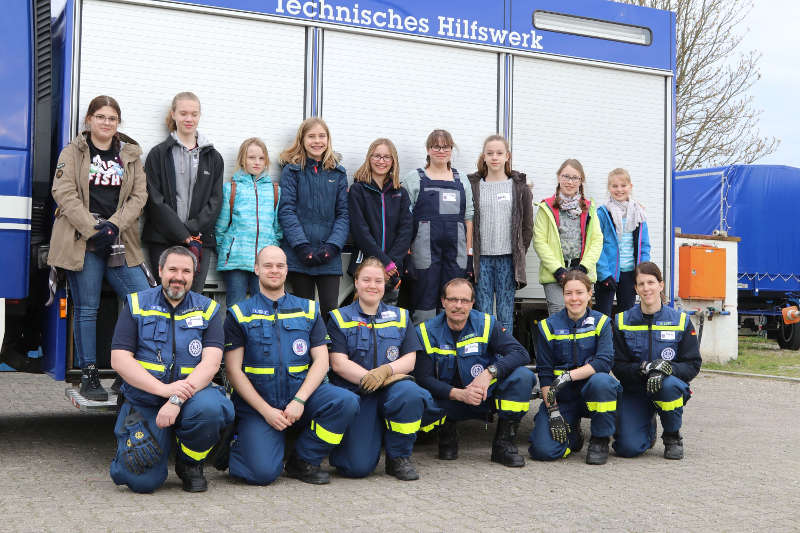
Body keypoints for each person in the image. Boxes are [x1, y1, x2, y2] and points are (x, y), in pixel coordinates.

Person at [222, 245, 359, 485]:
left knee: (346, 401)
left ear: (287, 270)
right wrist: (266, 411)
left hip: (300, 396)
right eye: (268, 265)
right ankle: (241, 445)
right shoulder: (239, 313)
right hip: (259, 404)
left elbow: (321, 361)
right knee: (263, 474)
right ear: (256, 269)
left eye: (280, 265)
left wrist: (299, 400)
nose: (274, 270)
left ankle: (304, 459)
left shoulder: (308, 309)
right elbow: (233, 371)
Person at [47, 95, 151, 401]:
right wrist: (94, 231)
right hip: (84, 240)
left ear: (118, 123)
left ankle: (127, 374)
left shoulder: (130, 154)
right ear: (89, 120)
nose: (106, 122)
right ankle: (89, 375)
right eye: (101, 117)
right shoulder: (74, 151)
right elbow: (62, 191)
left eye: (112, 118)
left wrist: (113, 226)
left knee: (141, 301)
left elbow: (139, 196)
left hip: (119, 239)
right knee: (88, 308)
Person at [109, 246, 234, 493]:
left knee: (211, 408)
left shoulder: (208, 310)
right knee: (141, 482)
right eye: (173, 269)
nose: (179, 276)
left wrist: (175, 399)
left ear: (194, 275)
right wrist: (163, 389)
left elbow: (210, 364)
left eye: (186, 271)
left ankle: (190, 464)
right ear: (160, 271)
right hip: (145, 401)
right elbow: (119, 359)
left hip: (190, 399)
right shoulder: (136, 304)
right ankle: (134, 449)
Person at [328, 257, 437, 481]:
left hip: (391, 389)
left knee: (411, 393)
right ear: (356, 282)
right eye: (366, 280)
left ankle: (398, 457)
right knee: (356, 468)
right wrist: (370, 378)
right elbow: (337, 362)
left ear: (385, 284)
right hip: (359, 394)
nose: (372, 285)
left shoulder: (401, 316)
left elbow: (410, 359)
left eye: (378, 281)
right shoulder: (339, 317)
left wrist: (385, 372)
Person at [415, 278, 536, 467]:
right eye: (453, 299)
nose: (458, 306)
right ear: (443, 301)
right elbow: (423, 378)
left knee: (523, 377)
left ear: (472, 303)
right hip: (448, 400)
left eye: (464, 300)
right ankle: (446, 433)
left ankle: (504, 444)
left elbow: (521, 353)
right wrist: (459, 394)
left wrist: (489, 373)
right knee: (417, 394)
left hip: (483, 396)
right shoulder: (425, 331)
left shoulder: (486, 323)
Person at [528, 270, 621, 465]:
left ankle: (600, 439)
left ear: (589, 294)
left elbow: (604, 362)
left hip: (592, 394)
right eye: (569, 293)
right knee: (542, 451)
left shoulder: (601, 323)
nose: (574, 298)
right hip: (562, 399)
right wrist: (553, 411)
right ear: (563, 296)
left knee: (602, 380)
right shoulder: (548, 326)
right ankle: (573, 437)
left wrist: (568, 376)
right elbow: (545, 374)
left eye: (579, 292)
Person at [612, 261, 701, 460]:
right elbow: (617, 366)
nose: (646, 288)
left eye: (651, 282)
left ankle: (672, 436)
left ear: (660, 285)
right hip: (635, 391)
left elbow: (692, 364)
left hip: (667, 387)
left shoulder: (681, 321)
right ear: (635, 288)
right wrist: (644, 368)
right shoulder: (621, 321)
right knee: (627, 448)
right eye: (641, 284)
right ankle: (646, 427)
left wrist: (664, 370)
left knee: (668, 386)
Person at [143, 91, 224, 292]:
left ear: (199, 116)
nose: (189, 119)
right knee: (164, 296)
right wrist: (181, 233)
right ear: (173, 114)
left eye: (194, 114)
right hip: (163, 240)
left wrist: (192, 230)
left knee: (193, 301)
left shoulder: (213, 158)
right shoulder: (158, 154)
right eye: (183, 113)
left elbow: (215, 202)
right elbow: (154, 200)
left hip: (199, 241)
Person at [278, 118, 348, 321]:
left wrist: (332, 247)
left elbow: (343, 214)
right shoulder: (291, 171)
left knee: (330, 313)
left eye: (321, 136)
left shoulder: (338, 173)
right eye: (311, 136)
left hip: (329, 256)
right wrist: (301, 246)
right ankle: (303, 353)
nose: (317, 141)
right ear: (302, 139)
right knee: (302, 314)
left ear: (328, 139)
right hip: (300, 256)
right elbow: (287, 210)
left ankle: (329, 352)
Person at [402, 129, 474, 323]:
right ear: (428, 149)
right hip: (423, 252)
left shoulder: (462, 180)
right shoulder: (414, 179)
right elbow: (404, 219)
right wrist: (407, 253)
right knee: (424, 298)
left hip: (456, 253)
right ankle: (423, 347)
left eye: (446, 147)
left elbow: (469, 218)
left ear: (451, 149)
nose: (441, 150)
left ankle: (450, 344)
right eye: (436, 146)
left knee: (453, 296)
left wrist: (469, 253)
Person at [467, 135, 533, 334]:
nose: (494, 157)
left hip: (508, 259)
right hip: (482, 259)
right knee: (483, 312)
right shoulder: (474, 186)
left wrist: (520, 250)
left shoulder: (519, 187)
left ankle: (505, 359)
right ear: (484, 156)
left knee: (505, 313)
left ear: (507, 156)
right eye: (490, 153)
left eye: (499, 153)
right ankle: (484, 358)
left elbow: (527, 226)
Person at [215, 138, 282, 307]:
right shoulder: (231, 188)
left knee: (262, 307)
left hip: (264, 261)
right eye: (252, 157)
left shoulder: (274, 190)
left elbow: (278, 228)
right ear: (242, 160)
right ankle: (233, 335)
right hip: (236, 261)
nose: (257, 162)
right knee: (236, 308)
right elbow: (221, 228)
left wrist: (272, 248)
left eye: (261, 158)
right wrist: (227, 251)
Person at [533, 158, 603, 316]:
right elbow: (539, 242)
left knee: (582, 317)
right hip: (555, 274)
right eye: (566, 176)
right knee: (558, 316)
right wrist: (558, 271)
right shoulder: (546, 208)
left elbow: (597, 241)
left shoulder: (589, 209)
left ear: (581, 181)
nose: (570, 182)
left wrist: (584, 268)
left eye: (575, 178)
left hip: (582, 272)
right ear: (559, 177)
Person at [347, 138, 413, 305]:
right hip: (365, 266)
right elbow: (360, 231)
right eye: (377, 156)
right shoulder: (358, 190)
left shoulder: (401, 193)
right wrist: (383, 263)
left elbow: (406, 231)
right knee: (363, 315)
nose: (381, 161)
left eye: (386, 157)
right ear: (369, 158)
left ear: (393, 161)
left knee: (388, 317)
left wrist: (391, 264)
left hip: (393, 269)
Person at [594, 168, 651, 317]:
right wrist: (603, 273)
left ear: (630, 187)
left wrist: (642, 273)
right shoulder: (602, 213)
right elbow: (596, 245)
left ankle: (622, 341)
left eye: (623, 185)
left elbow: (644, 246)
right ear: (609, 188)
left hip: (630, 274)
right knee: (602, 316)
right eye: (614, 186)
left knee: (626, 316)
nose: (619, 190)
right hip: (608, 273)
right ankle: (604, 341)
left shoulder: (639, 213)